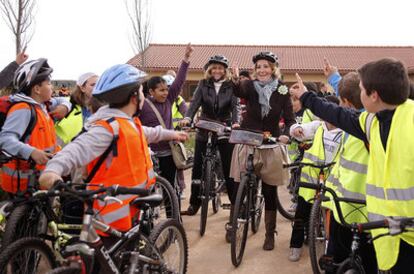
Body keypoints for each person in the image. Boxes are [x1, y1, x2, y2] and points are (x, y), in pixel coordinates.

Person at [290, 58, 414, 273]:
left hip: (408, 235)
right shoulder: (372, 119)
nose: (360, 94)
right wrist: (306, 96)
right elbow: (338, 114)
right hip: (384, 229)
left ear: (374, 95)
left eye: (363, 89)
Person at [38, 64, 188, 234]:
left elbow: (150, 133)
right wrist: (52, 170)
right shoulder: (107, 129)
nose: (144, 98)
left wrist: (172, 135)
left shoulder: (128, 122)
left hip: (131, 210)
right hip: (110, 220)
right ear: (133, 98)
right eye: (141, 93)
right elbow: (75, 150)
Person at [231, 51, 294, 250]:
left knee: (269, 191)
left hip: (270, 143)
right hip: (249, 140)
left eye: (266, 66)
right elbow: (239, 91)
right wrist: (234, 81)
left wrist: (288, 134)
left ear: (273, 69)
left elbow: (290, 118)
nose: (262, 70)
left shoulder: (282, 90)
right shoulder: (249, 86)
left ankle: (269, 233)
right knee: (242, 182)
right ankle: (236, 222)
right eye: (258, 67)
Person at [180, 54, 240, 242]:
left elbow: (235, 106)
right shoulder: (202, 84)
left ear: (225, 70)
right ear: (209, 69)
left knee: (229, 168)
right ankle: (194, 203)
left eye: (221, 68)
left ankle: (235, 206)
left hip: (224, 125)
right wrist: (188, 118)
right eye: (214, 68)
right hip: (205, 124)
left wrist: (236, 122)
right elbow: (194, 103)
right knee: (197, 166)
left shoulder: (231, 85)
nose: (217, 71)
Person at [0, 58, 70, 194]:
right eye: (49, 83)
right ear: (37, 89)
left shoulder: (42, 105)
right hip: (24, 186)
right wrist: (31, 152)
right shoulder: (23, 109)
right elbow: (5, 139)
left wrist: (65, 106)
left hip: (40, 180)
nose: (52, 88)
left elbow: (63, 100)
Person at [288, 95, 342, 262]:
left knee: (333, 216)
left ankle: (331, 248)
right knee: (301, 213)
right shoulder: (317, 127)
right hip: (310, 179)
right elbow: (296, 128)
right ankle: (295, 245)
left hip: (332, 181)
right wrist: (295, 130)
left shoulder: (344, 131)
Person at [139, 43, 193, 189]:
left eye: (166, 90)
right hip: (149, 155)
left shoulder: (169, 100)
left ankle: (173, 212)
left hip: (169, 153)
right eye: (161, 90)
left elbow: (179, 81)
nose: (165, 93)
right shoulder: (142, 105)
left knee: (170, 189)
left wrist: (186, 59)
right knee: (149, 190)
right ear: (151, 92)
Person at [55, 72, 98, 145]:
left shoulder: (104, 109)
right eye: (93, 85)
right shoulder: (67, 105)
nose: (97, 87)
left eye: (99, 84)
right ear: (82, 88)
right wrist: (65, 106)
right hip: (65, 152)